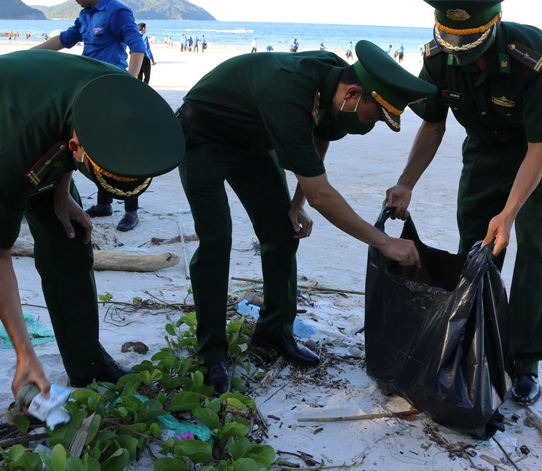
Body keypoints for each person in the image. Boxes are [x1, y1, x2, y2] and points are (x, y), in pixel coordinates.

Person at [0, 49, 184, 431]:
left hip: (34, 124)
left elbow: (65, 138)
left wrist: (61, 193)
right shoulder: (16, 149)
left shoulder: (119, 95)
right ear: (78, 148)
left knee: (71, 237)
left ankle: (87, 364)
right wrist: (25, 354)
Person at [176, 40, 437, 395]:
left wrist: (295, 203)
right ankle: (211, 354)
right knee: (217, 239)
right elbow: (323, 196)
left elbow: (320, 136)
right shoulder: (286, 92)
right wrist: (384, 242)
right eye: (375, 115)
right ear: (354, 94)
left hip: (253, 139)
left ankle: (273, 333)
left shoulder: (335, 81)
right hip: (202, 134)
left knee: (283, 231)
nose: (374, 124)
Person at [383, 0, 542, 406]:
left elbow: (540, 146)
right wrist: (406, 182)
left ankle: (525, 362)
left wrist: (509, 214)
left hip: (540, 158)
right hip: (486, 153)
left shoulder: (534, 56)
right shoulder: (437, 58)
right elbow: (432, 126)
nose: (459, 54)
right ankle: (475, 342)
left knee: (528, 247)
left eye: (469, 44)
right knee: (476, 247)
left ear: (495, 25)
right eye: (452, 42)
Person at [34, 0, 148, 232]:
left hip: (113, 90)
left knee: (121, 150)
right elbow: (63, 40)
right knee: (95, 148)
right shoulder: (85, 15)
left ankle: (131, 210)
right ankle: (104, 203)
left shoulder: (117, 11)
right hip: (88, 91)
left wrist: (129, 85)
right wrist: (30, 54)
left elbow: (137, 48)